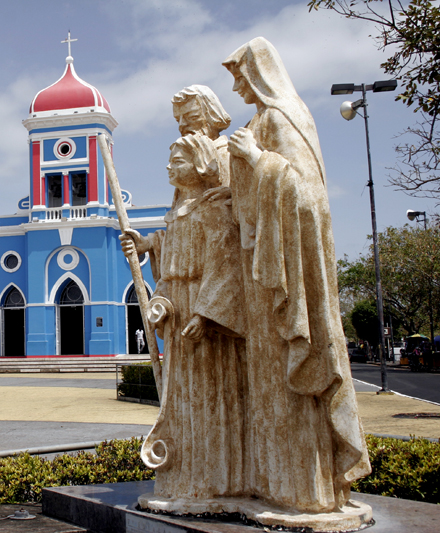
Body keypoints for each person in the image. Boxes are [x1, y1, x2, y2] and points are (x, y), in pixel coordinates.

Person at [223, 37, 370, 513]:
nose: (236, 85)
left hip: (283, 274)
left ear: (260, 72)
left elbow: (308, 198)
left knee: (291, 383)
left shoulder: (283, 117)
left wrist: (255, 159)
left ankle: (305, 490)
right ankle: (273, 484)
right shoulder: (258, 120)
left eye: (240, 75)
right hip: (259, 272)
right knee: (267, 388)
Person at [121, 133, 245, 502]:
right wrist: (147, 245)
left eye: (177, 161)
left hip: (200, 311)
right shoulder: (176, 213)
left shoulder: (215, 205)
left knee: (208, 394)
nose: (168, 167)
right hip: (177, 307)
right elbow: (171, 248)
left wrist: (207, 314)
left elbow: (226, 261)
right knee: (182, 397)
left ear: (201, 165)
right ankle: (186, 471)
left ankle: (215, 477)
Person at [172, 85, 232, 186]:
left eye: (192, 117)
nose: (182, 125)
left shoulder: (227, 153)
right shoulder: (184, 156)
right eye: (178, 120)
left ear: (212, 116)